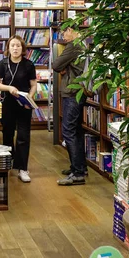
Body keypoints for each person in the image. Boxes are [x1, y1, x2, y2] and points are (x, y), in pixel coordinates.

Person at [0, 35, 37, 183]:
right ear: (8, 48)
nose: (15, 48)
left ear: (22, 48)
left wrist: (29, 98)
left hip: (24, 104)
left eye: (18, 45)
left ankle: (22, 168)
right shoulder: (3, 63)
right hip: (8, 103)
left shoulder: (29, 65)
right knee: (7, 134)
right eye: (12, 45)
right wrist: (9, 88)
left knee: (23, 136)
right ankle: (7, 163)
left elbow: (33, 85)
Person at [52, 27, 87, 186]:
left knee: (68, 130)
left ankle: (78, 173)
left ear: (72, 31)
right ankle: (79, 167)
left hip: (72, 92)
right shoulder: (84, 44)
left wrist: (64, 66)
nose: (63, 36)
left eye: (65, 32)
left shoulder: (74, 45)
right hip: (79, 91)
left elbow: (56, 64)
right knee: (77, 130)